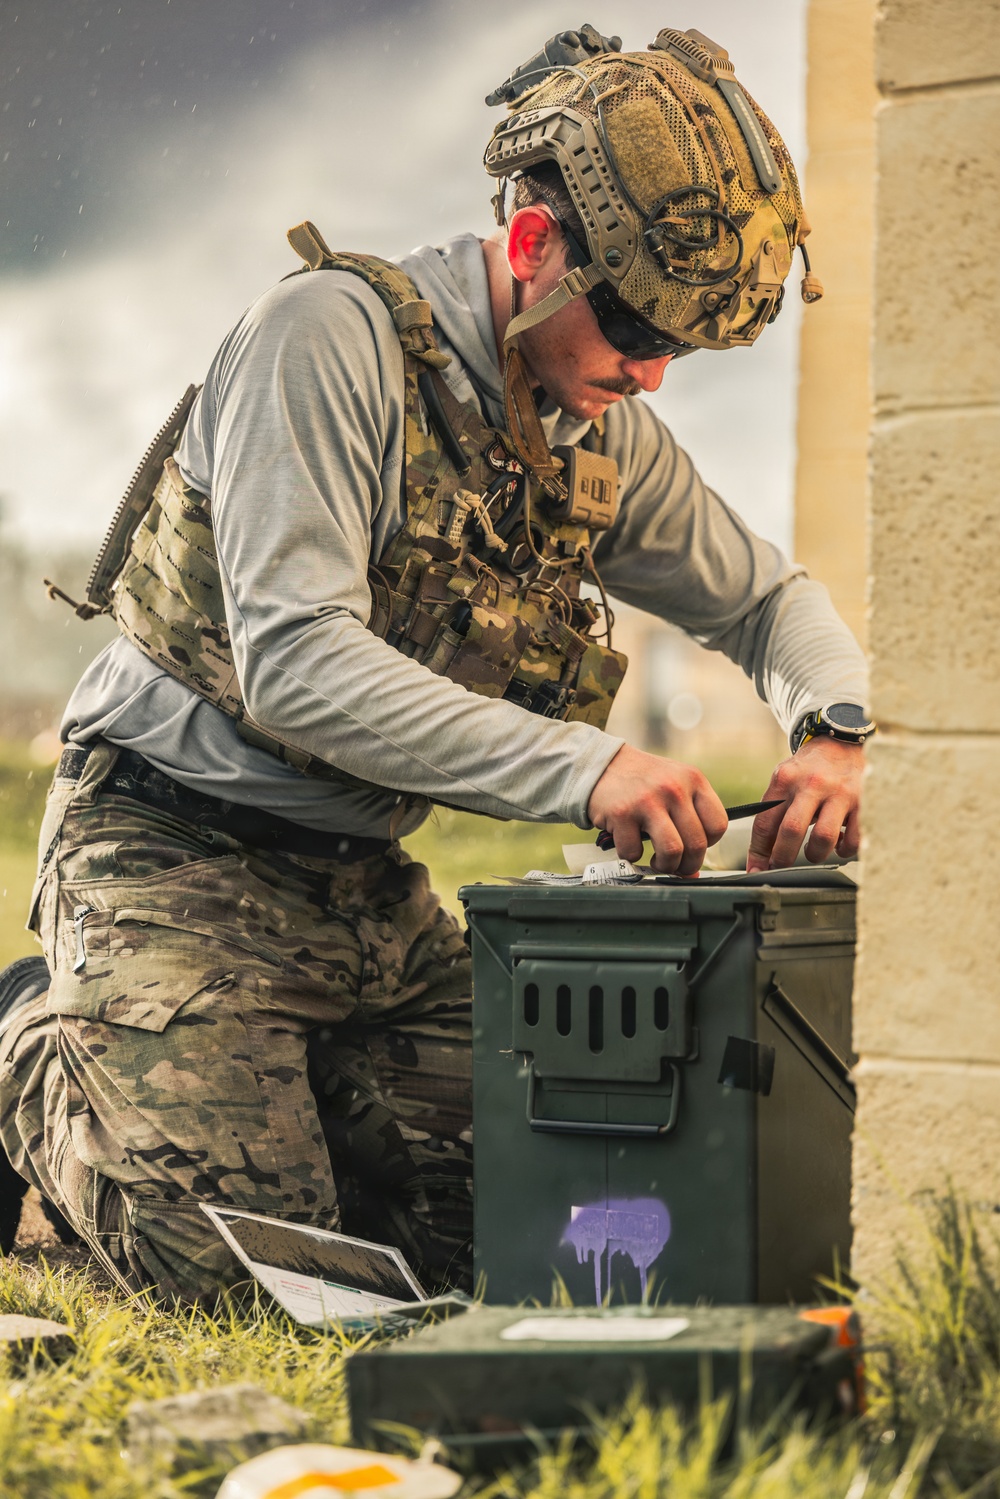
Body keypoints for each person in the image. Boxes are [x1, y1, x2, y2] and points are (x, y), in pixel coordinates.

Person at [0, 25, 872, 1299]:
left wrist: (834, 730)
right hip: (167, 847)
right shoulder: (325, 338)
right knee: (243, 1276)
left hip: (362, 887)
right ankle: (36, 1033)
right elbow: (295, 660)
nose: (651, 373)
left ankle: (266, 1097)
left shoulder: (591, 418)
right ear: (533, 247)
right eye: (632, 324)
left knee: (544, 1219)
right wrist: (588, 768)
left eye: (682, 345)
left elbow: (769, 602)